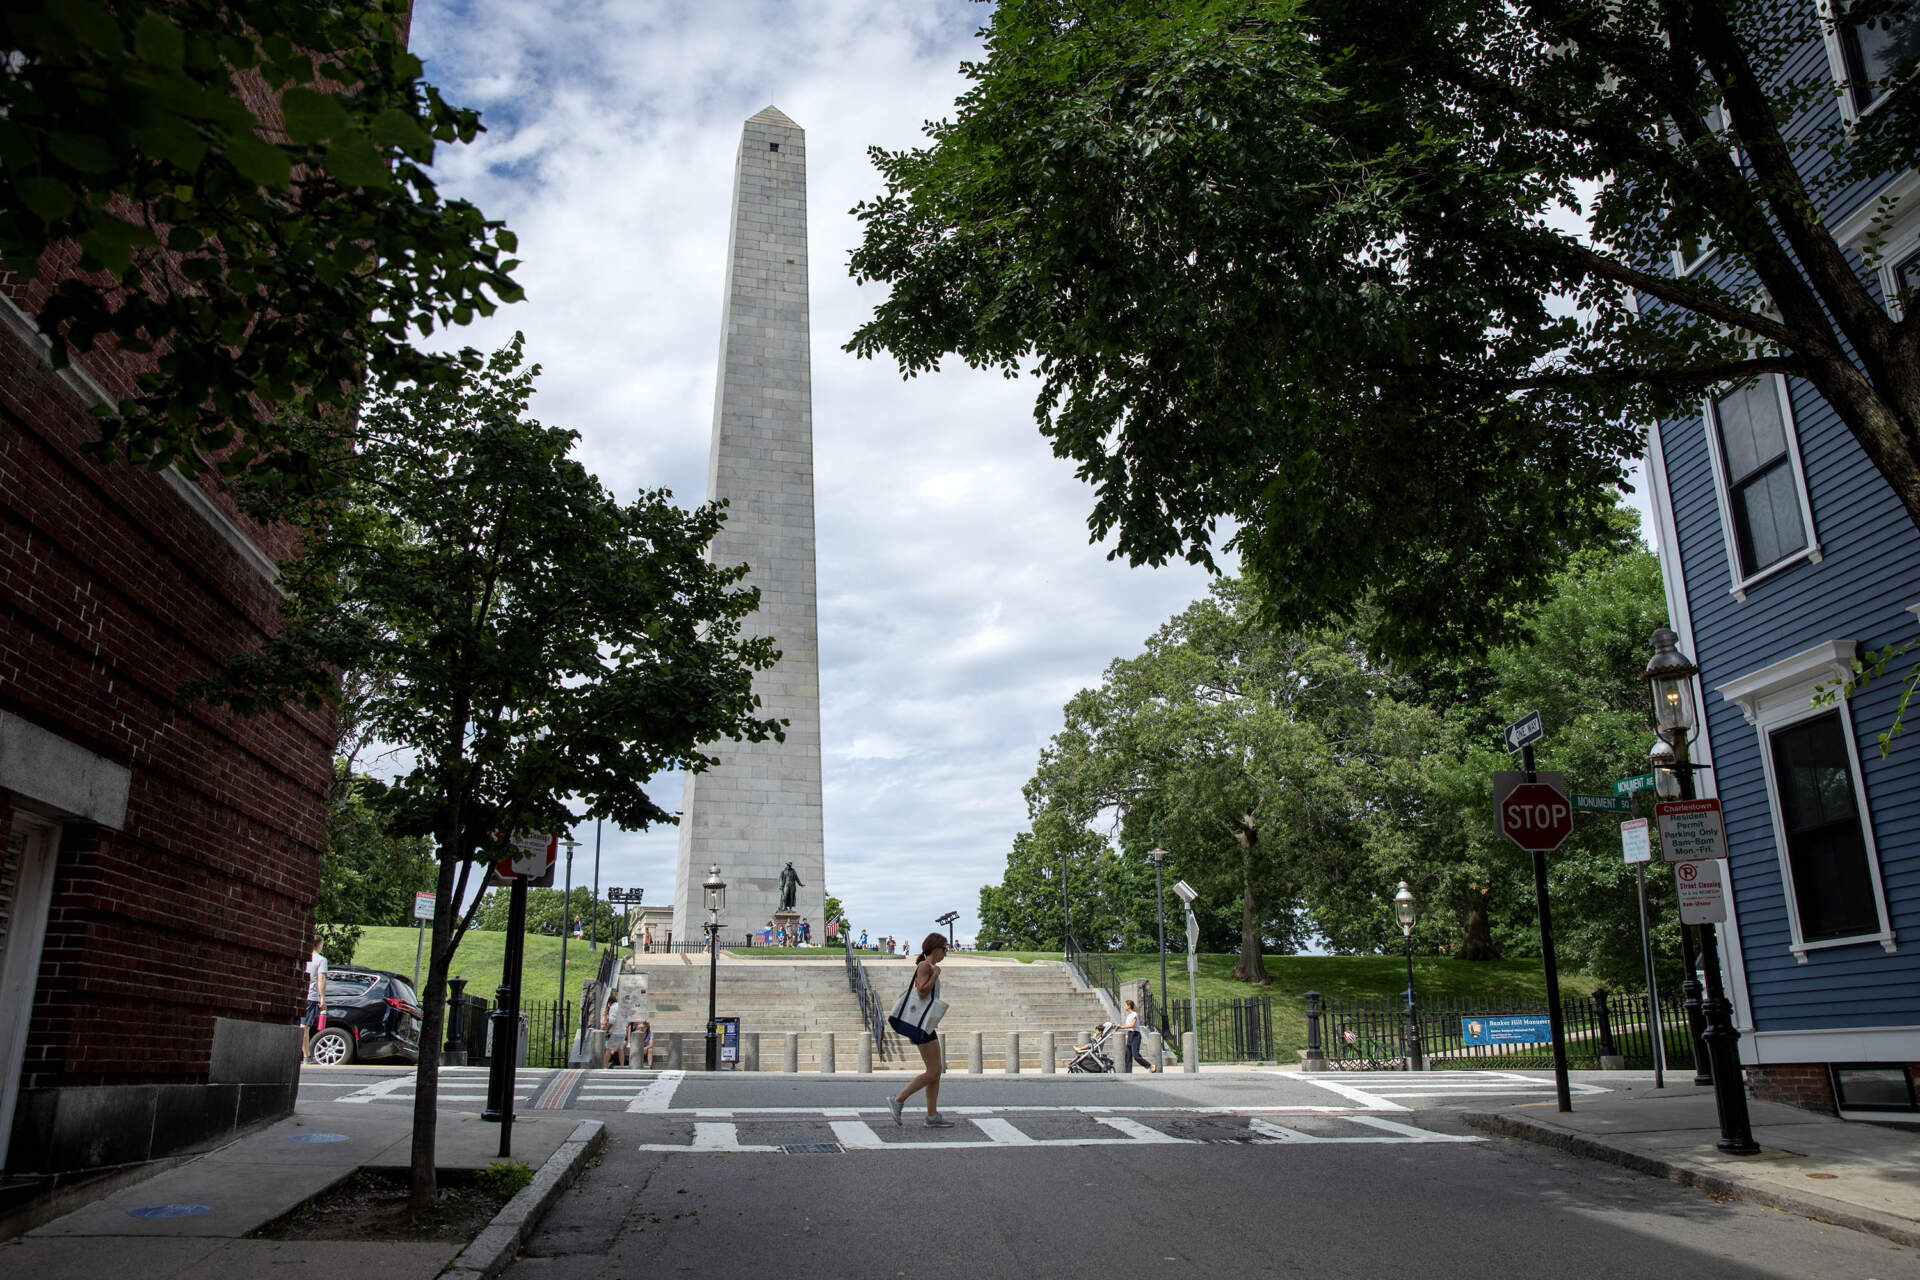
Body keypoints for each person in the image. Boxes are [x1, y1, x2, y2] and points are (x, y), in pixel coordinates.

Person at [886, 933, 954, 1128]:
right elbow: (922, 991)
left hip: (926, 1025)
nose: (945, 953)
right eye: (944, 949)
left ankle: (932, 1115)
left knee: (935, 1071)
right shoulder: (925, 966)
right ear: (934, 948)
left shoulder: (927, 966)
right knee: (933, 1071)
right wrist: (935, 974)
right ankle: (898, 1099)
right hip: (922, 1026)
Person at [302, 944, 328, 1060]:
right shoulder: (321, 960)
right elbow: (321, 978)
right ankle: (306, 1056)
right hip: (311, 996)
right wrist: (322, 998)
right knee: (304, 1027)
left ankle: (305, 1055)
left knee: (301, 1026)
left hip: (300, 994)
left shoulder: (302, 955)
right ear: (319, 945)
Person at [1120, 999, 1159, 1072]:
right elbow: (1127, 1025)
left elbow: (1132, 1025)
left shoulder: (1134, 1014)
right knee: (1128, 1055)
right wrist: (1116, 1026)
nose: (1124, 1007)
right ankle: (1128, 1072)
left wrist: (1121, 1027)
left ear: (1129, 1006)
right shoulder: (1129, 1016)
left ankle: (1150, 1066)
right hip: (1130, 1034)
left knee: (1136, 1055)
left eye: (1125, 1005)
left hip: (1135, 1035)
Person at [603, 993, 626, 1068]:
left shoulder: (613, 1007)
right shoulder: (621, 1006)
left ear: (609, 1002)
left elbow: (612, 1020)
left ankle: (605, 1066)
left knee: (608, 1048)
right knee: (621, 1049)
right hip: (623, 1031)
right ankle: (622, 1065)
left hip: (615, 1031)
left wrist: (607, 1029)